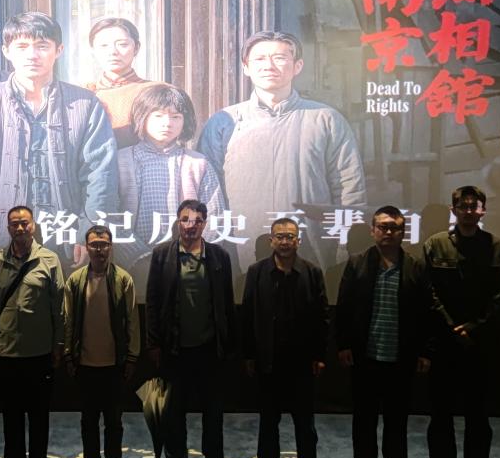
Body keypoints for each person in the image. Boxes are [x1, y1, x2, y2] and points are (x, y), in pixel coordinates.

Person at [0, 12, 118, 262]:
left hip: (66, 241)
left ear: (59, 50)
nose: (32, 55)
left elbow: (100, 173)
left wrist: (91, 231)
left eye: (42, 46)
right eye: (22, 46)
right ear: (6, 51)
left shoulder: (85, 104)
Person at [199, 30, 366, 270]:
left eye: (279, 58)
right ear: (245, 67)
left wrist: (346, 246)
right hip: (240, 249)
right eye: (259, 59)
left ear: (297, 66)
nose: (269, 65)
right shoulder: (223, 123)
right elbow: (207, 195)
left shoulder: (325, 119)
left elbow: (350, 188)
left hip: (312, 250)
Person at [334, 206, 436, 458]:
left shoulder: (415, 267)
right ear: (373, 231)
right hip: (365, 355)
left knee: (397, 421)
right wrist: (343, 345)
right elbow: (344, 308)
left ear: (403, 232)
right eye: (383, 227)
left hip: (401, 356)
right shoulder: (357, 263)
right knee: (363, 420)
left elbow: (427, 313)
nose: (388, 232)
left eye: (394, 227)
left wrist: (425, 351)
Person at [422, 186, 500, 458]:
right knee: (440, 408)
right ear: (454, 210)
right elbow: (429, 292)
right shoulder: (435, 244)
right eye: (463, 206)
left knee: (478, 411)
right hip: (443, 340)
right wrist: (452, 327)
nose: (469, 211)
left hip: (481, 342)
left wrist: (473, 327)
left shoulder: (498, 248)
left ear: (483, 210)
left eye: (475, 206)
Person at [144, 199, 236, 458]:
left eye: (197, 220)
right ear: (177, 222)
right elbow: (153, 301)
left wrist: (229, 345)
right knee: (173, 415)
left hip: (210, 349)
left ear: (204, 224)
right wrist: (154, 343)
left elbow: (227, 304)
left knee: (213, 415)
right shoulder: (162, 255)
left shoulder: (219, 256)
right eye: (185, 219)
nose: (190, 226)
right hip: (175, 349)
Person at [241, 218, 328, 458]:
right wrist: (249, 355)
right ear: (271, 241)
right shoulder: (256, 272)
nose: (285, 241)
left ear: (298, 241)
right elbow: (247, 315)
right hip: (268, 361)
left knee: (305, 426)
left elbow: (322, 317)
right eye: (280, 236)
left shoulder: (312, 272)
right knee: (268, 424)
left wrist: (320, 355)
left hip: (301, 363)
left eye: (290, 236)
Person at [0, 206, 66, 458]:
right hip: (7, 353)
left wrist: (59, 344)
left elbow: (59, 307)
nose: (19, 228)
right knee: (12, 417)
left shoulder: (49, 259)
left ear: (33, 226)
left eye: (24, 223)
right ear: (8, 228)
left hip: (40, 352)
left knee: (39, 416)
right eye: (14, 224)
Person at [62, 225, 139, 458]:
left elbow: (132, 321)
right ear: (86, 247)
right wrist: (68, 355)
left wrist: (132, 357)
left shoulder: (123, 279)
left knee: (114, 422)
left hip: (114, 364)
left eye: (104, 244)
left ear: (111, 247)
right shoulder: (75, 280)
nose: (99, 249)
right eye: (94, 244)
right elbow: (69, 321)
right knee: (88, 421)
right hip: (85, 363)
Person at [115, 84, 226, 266]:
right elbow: (110, 216)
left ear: (185, 121)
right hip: (133, 266)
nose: (167, 123)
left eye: (176, 117)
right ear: (142, 117)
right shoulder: (120, 161)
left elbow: (215, 216)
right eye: (158, 115)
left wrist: (195, 257)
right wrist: (139, 258)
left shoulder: (198, 163)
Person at [85, 17, 162, 148]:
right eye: (104, 45)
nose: (113, 52)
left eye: (122, 45)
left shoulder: (156, 91)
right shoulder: (83, 93)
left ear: (136, 48)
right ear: (93, 51)